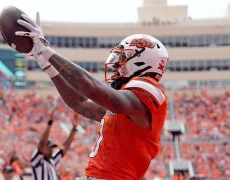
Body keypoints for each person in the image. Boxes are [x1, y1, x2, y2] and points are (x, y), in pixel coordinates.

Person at [15, 13, 169, 179]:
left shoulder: (149, 88)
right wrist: (48, 65)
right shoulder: (128, 106)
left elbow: (92, 88)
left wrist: (46, 50)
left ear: (141, 62)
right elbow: (79, 104)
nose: (117, 63)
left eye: (123, 57)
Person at [30, 108, 78, 180]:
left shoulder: (51, 161)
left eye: (52, 148)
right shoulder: (37, 160)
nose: (51, 150)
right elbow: (42, 143)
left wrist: (74, 129)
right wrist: (50, 123)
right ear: (43, 148)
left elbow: (64, 148)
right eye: (49, 148)